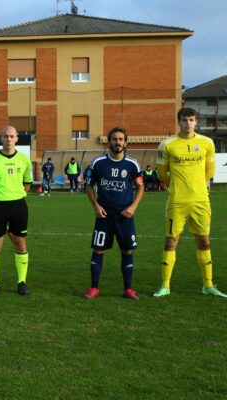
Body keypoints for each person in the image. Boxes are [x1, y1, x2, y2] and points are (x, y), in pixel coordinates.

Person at [153, 108, 226, 298]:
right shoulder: (166, 145)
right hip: (177, 201)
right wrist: (177, 186)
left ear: (196, 122)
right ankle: (165, 285)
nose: (188, 123)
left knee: (204, 240)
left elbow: (209, 171)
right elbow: (161, 174)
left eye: (191, 119)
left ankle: (208, 285)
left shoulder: (207, 143)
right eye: (184, 120)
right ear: (179, 122)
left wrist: (195, 186)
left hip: (201, 200)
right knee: (171, 241)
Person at [84, 127, 144, 300]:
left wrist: (133, 207)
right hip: (104, 216)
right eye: (114, 139)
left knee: (127, 251)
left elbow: (140, 187)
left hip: (125, 215)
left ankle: (128, 289)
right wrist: (95, 205)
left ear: (126, 143)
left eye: (120, 139)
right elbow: (88, 186)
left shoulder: (132, 164)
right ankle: (94, 287)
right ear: (109, 141)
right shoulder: (98, 162)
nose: (117, 142)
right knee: (98, 250)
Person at [0, 126, 33, 296]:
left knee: (20, 244)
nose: (9, 139)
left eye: (12, 136)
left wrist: (15, 196)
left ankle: (22, 282)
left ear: (17, 138)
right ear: (1, 138)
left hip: (18, 206)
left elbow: (27, 184)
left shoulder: (24, 160)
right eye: (5, 136)